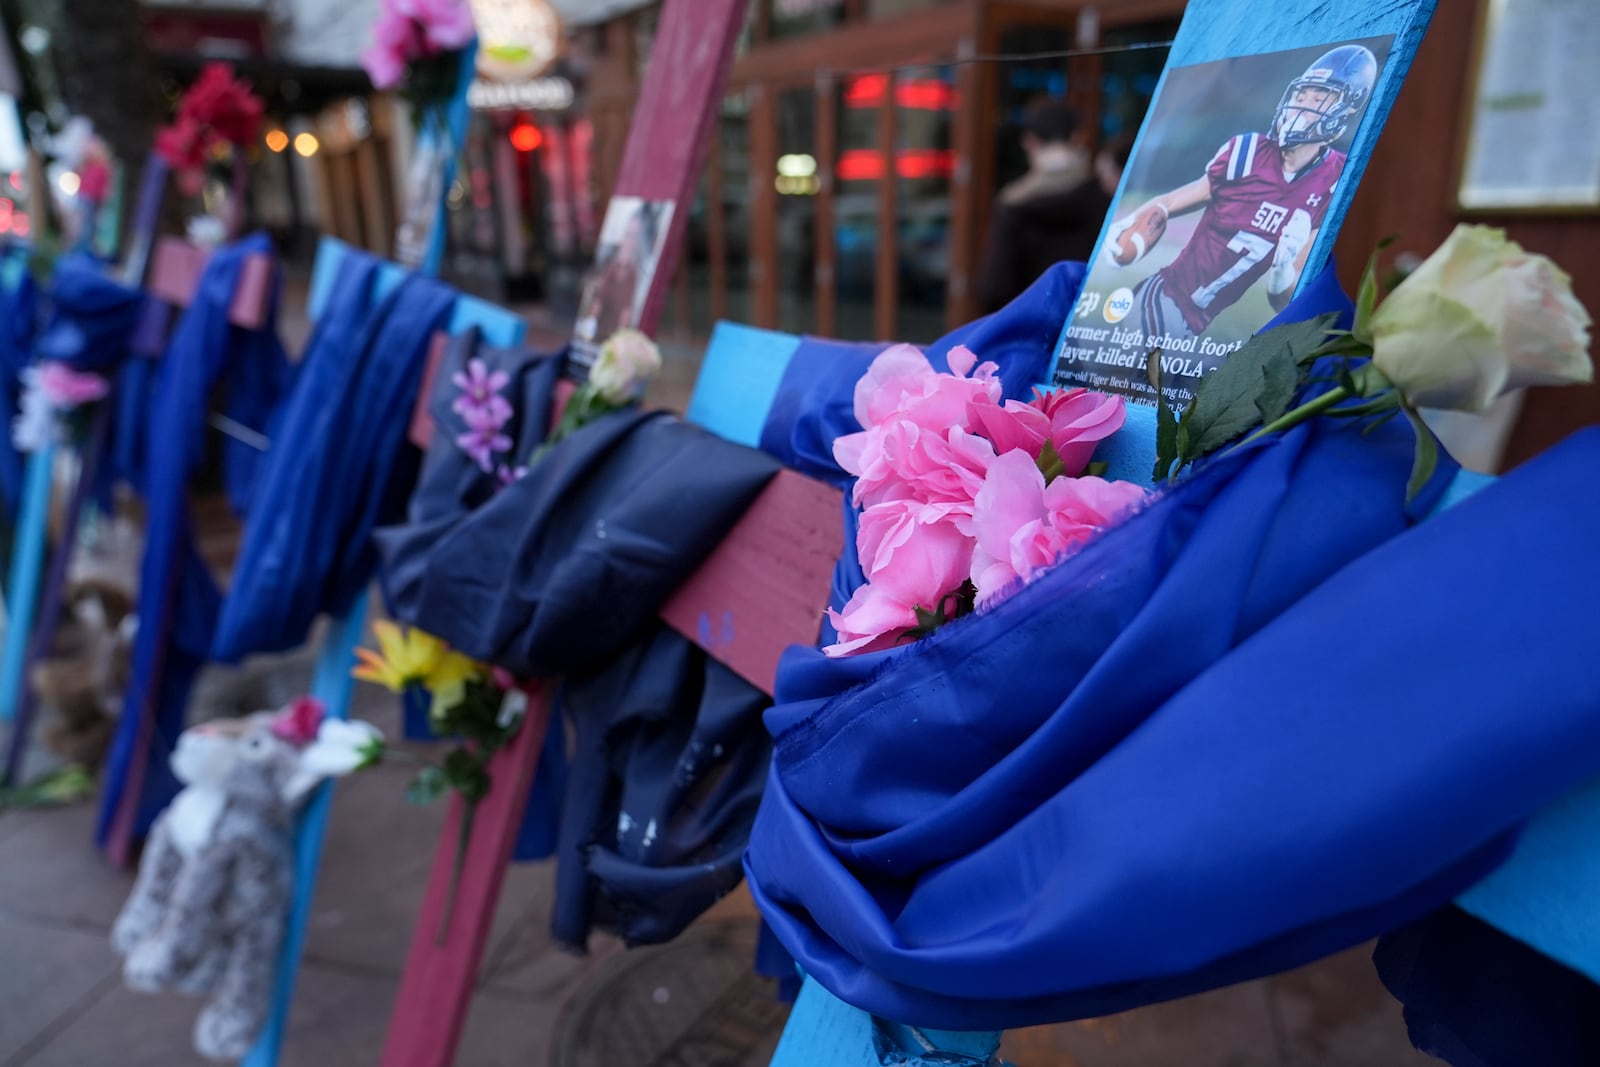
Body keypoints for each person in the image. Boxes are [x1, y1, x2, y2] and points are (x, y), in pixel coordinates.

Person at [1105, 44, 1378, 342]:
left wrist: (1282, 269)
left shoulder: (1333, 180)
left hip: (1198, 323)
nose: (1302, 105)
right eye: (1300, 95)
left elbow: (1282, 303)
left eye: (1318, 97)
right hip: (1164, 299)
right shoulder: (1247, 153)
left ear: (1349, 106)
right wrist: (1130, 225)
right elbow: (1170, 203)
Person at [977, 100, 1105, 314]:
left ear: (1030, 142)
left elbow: (994, 288)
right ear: (1077, 138)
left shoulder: (1013, 202)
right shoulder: (1102, 200)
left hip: (1026, 327)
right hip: (1083, 326)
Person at [576, 201, 661, 343]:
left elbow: (626, 312)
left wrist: (620, 339)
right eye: (627, 235)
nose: (628, 241)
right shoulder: (611, 265)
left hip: (616, 338)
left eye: (634, 237)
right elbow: (598, 298)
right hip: (599, 332)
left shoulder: (637, 274)